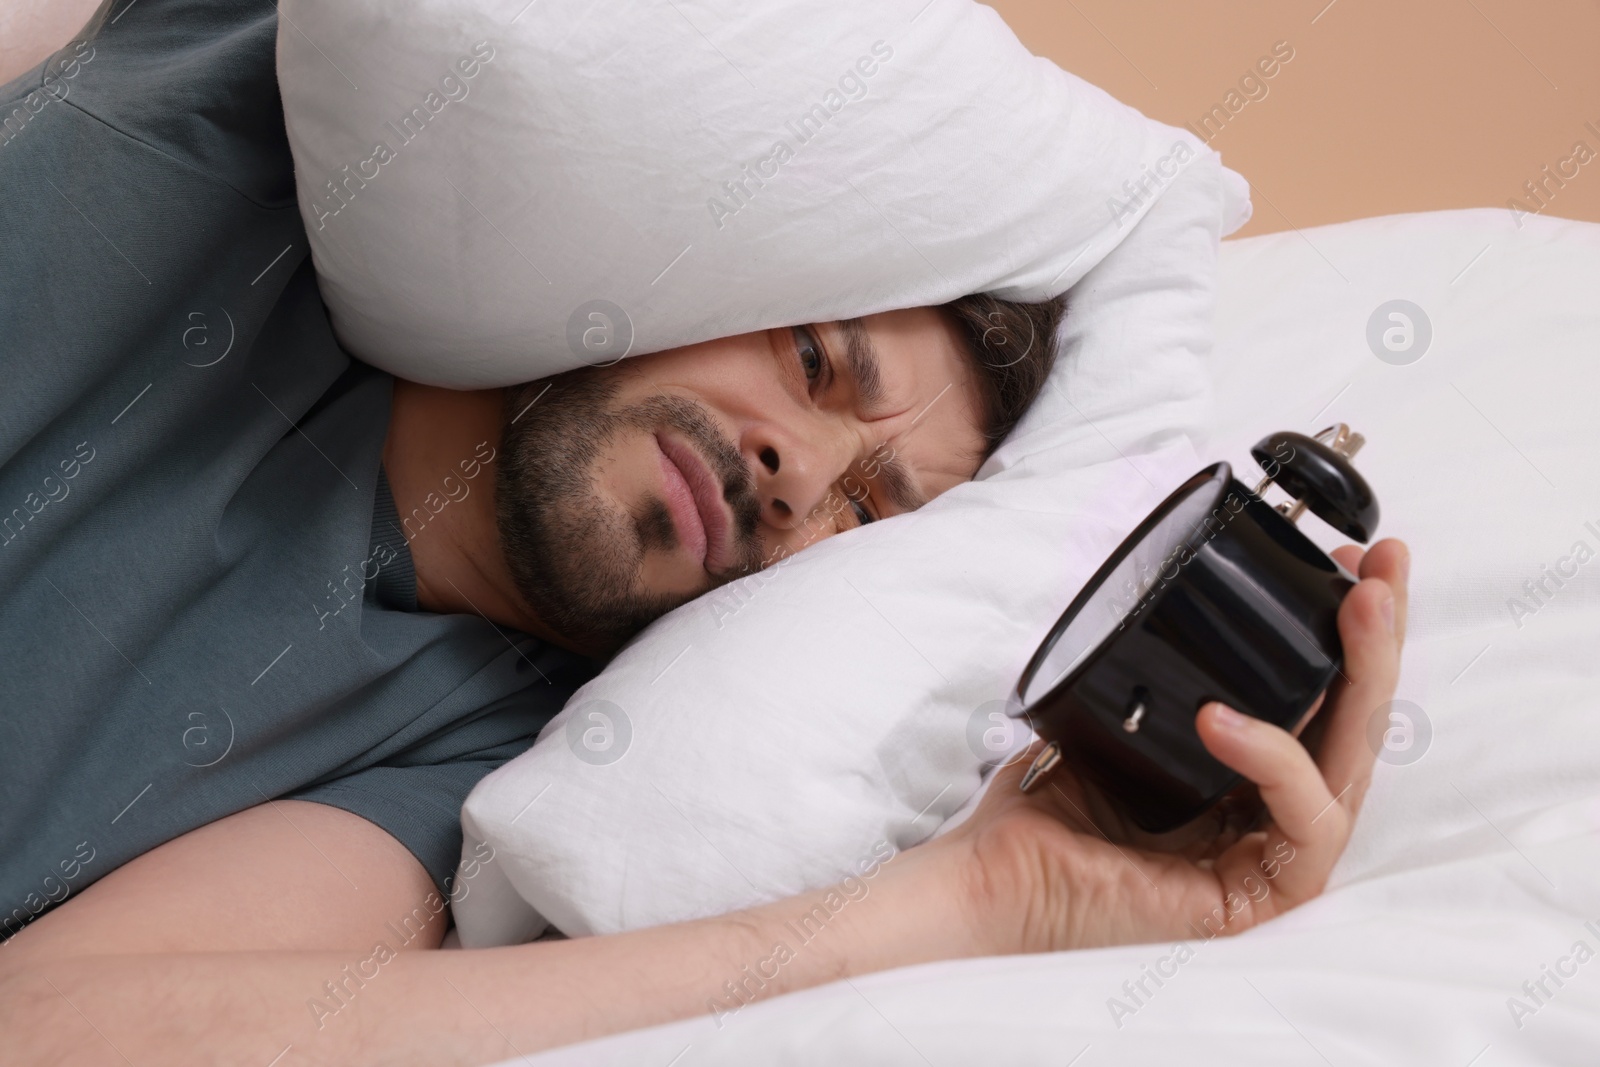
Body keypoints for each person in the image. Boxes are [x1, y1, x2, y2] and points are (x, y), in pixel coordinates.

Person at [0, 1, 1411, 1062]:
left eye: (868, 513)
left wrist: (990, 894)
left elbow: (52, 1033)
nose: (797, 475)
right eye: (813, 359)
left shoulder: (456, 764)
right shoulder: (246, 105)